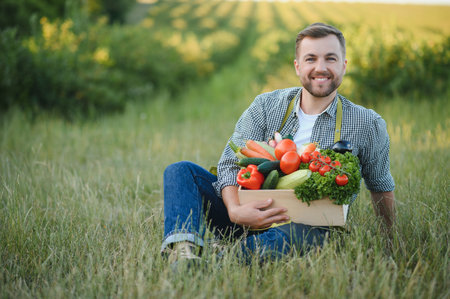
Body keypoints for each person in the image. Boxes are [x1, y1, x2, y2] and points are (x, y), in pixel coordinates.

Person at [162, 23, 395, 265]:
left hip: (310, 226)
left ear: (344, 65)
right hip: (245, 215)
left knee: (294, 236)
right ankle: (184, 253)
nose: (321, 68)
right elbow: (230, 163)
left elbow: (380, 185)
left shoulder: (367, 123)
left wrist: (389, 243)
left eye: (331, 58)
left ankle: (222, 257)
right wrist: (234, 211)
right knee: (181, 171)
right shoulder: (266, 106)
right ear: (297, 66)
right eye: (311, 59)